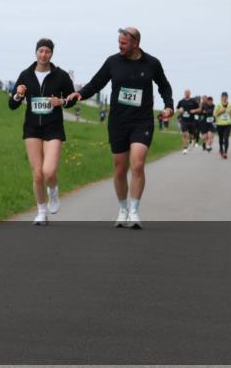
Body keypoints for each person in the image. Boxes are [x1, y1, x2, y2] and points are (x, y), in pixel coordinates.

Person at [67, 27, 173, 229]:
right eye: (119, 42)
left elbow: (164, 86)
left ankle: (134, 210)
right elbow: (96, 83)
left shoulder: (152, 63)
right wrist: (80, 94)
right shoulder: (113, 62)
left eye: (123, 43)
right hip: (118, 121)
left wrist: (169, 106)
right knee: (120, 168)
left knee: (138, 163)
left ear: (136, 44)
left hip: (142, 121)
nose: (120, 46)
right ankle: (122, 209)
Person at [8, 38, 76, 225]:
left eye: (47, 51)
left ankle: (53, 192)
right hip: (32, 128)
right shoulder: (26, 75)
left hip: (53, 128)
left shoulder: (61, 76)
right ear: (36, 52)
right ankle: (41, 212)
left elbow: (72, 99)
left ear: (52, 54)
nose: (44, 55)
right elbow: (12, 105)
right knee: (37, 174)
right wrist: (18, 94)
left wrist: (61, 102)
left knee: (49, 171)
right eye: (41, 51)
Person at [176, 89, 200, 155]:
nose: (187, 93)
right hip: (184, 120)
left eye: (188, 92)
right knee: (184, 134)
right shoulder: (181, 101)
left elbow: (199, 109)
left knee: (191, 135)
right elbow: (177, 108)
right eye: (186, 92)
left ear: (190, 93)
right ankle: (185, 148)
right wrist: (179, 110)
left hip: (191, 121)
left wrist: (194, 111)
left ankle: (191, 140)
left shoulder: (193, 101)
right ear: (184, 93)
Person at [214, 92, 231, 159]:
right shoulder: (218, 105)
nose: (224, 98)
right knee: (220, 138)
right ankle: (221, 149)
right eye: (223, 97)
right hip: (220, 124)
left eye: (226, 97)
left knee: (226, 138)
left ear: (227, 97)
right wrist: (220, 112)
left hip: (228, 124)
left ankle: (225, 152)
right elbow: (215, 114)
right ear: (221, 97)